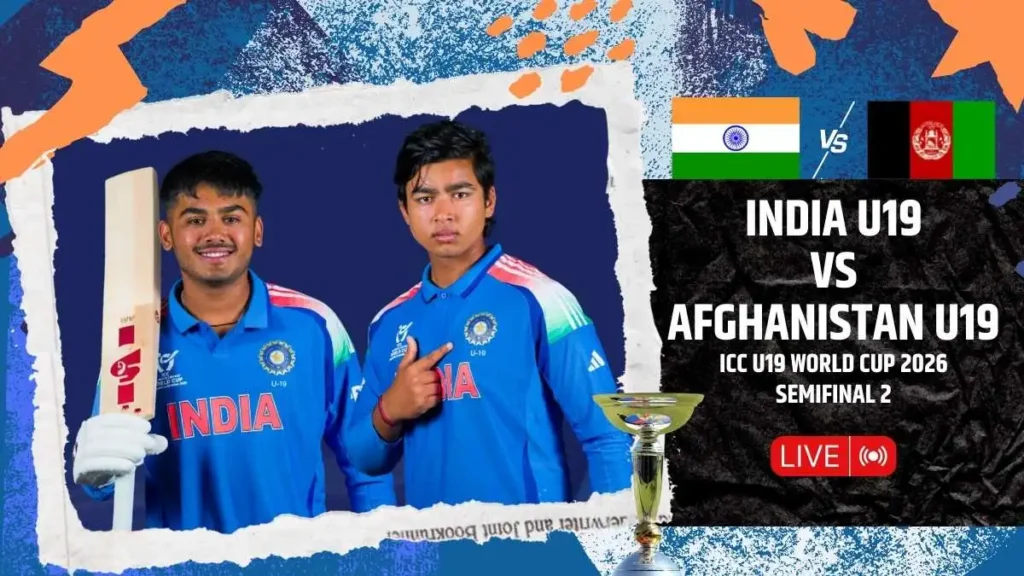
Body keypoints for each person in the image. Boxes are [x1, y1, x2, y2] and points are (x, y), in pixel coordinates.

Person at [72, 151, 396, 532]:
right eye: (195, 219)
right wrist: (94, 468)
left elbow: (365, 460)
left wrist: (385, 547)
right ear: (165, 235)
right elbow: (102, 481)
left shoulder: (314, 325)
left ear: (257, 231)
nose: (214, 234)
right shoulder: (135, 339)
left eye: (231, 218)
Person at [343, 120, 632, 508]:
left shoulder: (539, 299)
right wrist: (389, 411)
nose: (444, 214)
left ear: (489, 200)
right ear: (404, 211)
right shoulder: (390, 322)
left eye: (460, 193)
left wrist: (617, 546)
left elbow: (609, 437)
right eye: (425, 198)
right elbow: (364, 458)